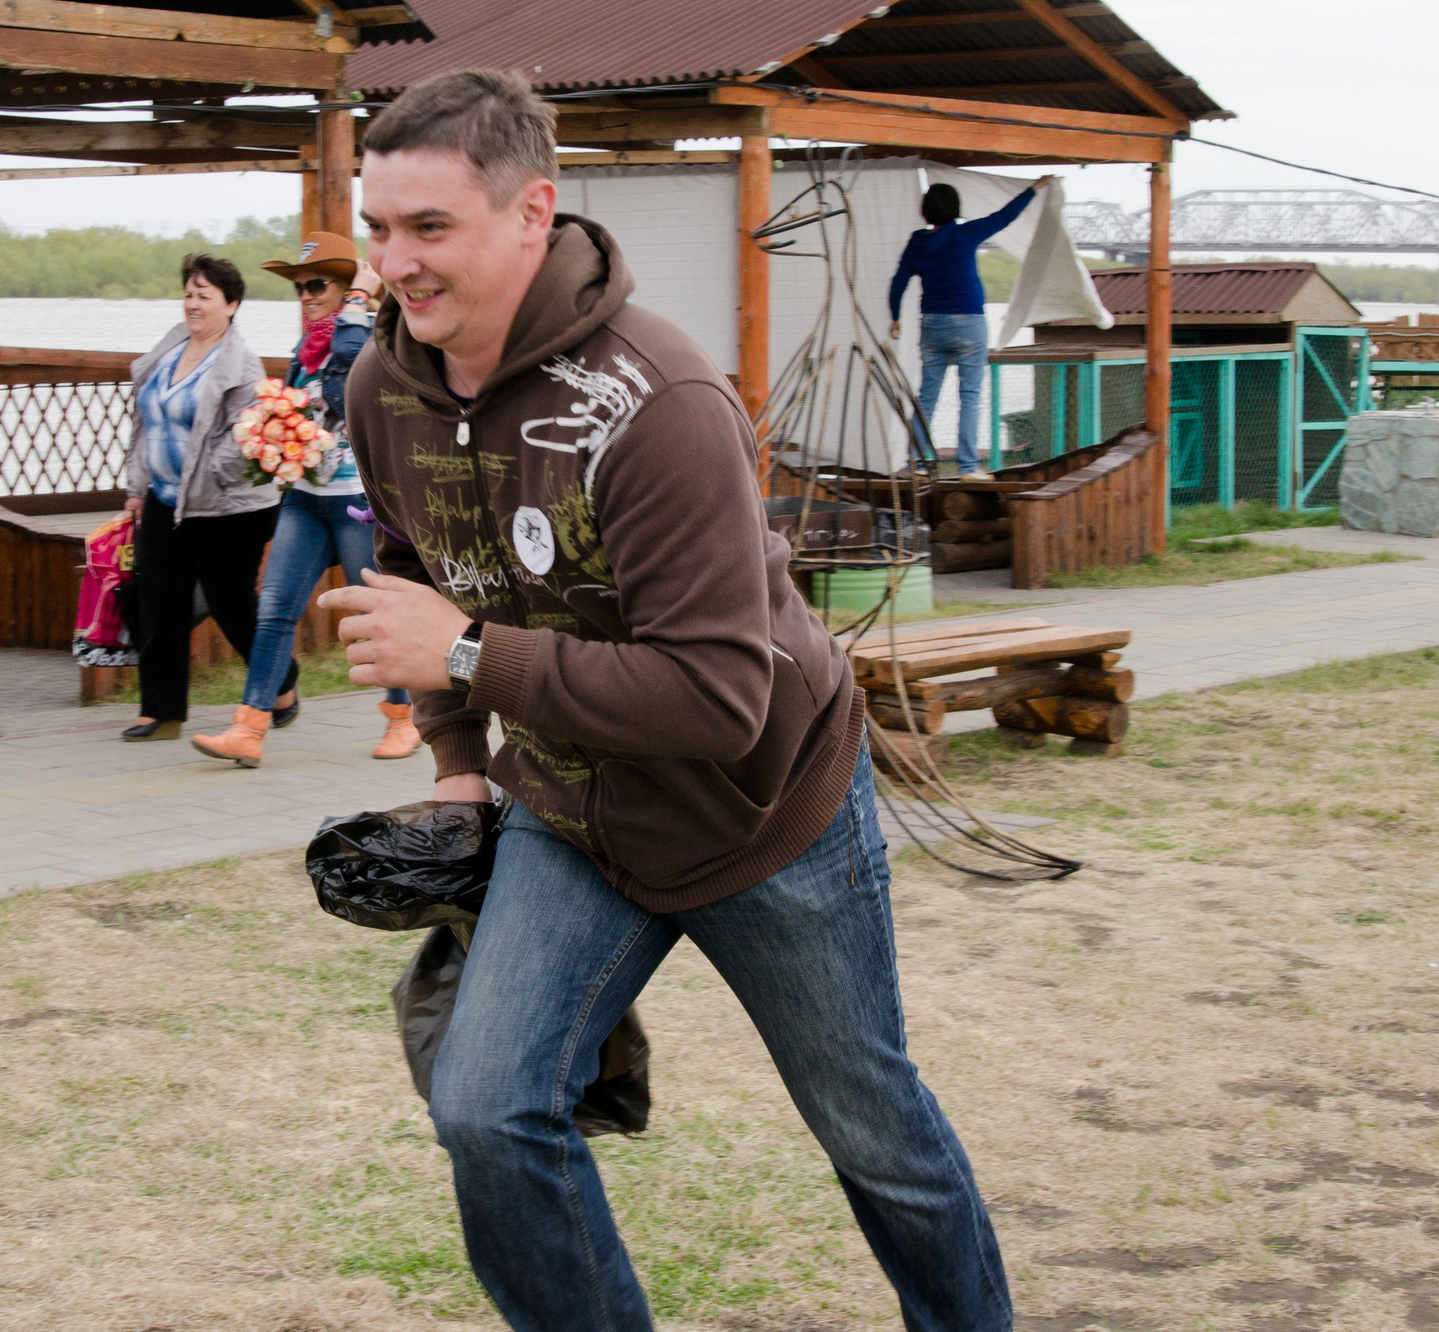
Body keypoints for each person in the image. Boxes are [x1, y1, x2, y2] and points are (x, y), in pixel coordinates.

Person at [325, 70, 1011, 1332]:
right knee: (484, 1103)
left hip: (762, 813)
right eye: (377, 227)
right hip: (569, 811)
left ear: (532, 213)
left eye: (429, 228)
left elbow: (716, 698)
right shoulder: (384, 386)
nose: (394, 262)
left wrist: (469, 657)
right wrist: (461, 766)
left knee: (869, 1128)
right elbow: (421, 571)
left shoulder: (661, 401)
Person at [190, 233, 420, 766]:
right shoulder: (309, 344)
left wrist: (362, 301)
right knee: (273, 610)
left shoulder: (373, 338)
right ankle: (249, 729)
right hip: (305, 499)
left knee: (381, 613)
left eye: (317, 284)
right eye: (299, 287)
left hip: (358, 503)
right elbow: (299, 403)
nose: (305, 295)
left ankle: (404, 719)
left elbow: (346, 392)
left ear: (348, 288)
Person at [116, 254, 280, 742]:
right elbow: (146, 424)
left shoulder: (240, 363)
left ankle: (282, 681)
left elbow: (244, 436)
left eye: (204, 295)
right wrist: (137, 488)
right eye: (188, 293)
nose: (192, 304)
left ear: (231, 305)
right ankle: (161, 712)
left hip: (228, 509)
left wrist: (206, 476)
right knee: (158, 601)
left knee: (231, 604)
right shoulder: (168, 352)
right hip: (166, 502)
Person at [887, 179, 1034, 479]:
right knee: (970, 395)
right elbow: (1005, 216)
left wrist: (895, 316)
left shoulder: (917, 243)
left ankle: (914, 463)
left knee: (926, 397)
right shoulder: (966, 234)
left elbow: (898, 282)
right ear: (955, 209)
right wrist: (1034, 190)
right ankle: (968, 466)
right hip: (969, 322)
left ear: (925, 210)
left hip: (932, 324)